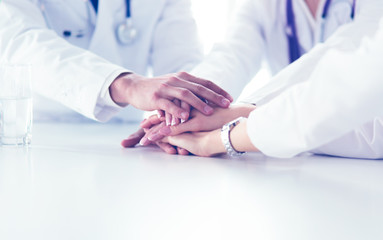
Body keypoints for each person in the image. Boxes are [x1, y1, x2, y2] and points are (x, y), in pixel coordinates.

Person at [126, 0, 383, 159]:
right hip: (299, 140)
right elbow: (233, 53)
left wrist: (237, 117)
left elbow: (344, 62)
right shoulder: (264, 4)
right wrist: (184, 110)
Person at [0, 0, 232, 124]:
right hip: (43, 130)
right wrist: (125, 85)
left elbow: (180, 63)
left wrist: (181, 116)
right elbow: (18, 39)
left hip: (124, 136)